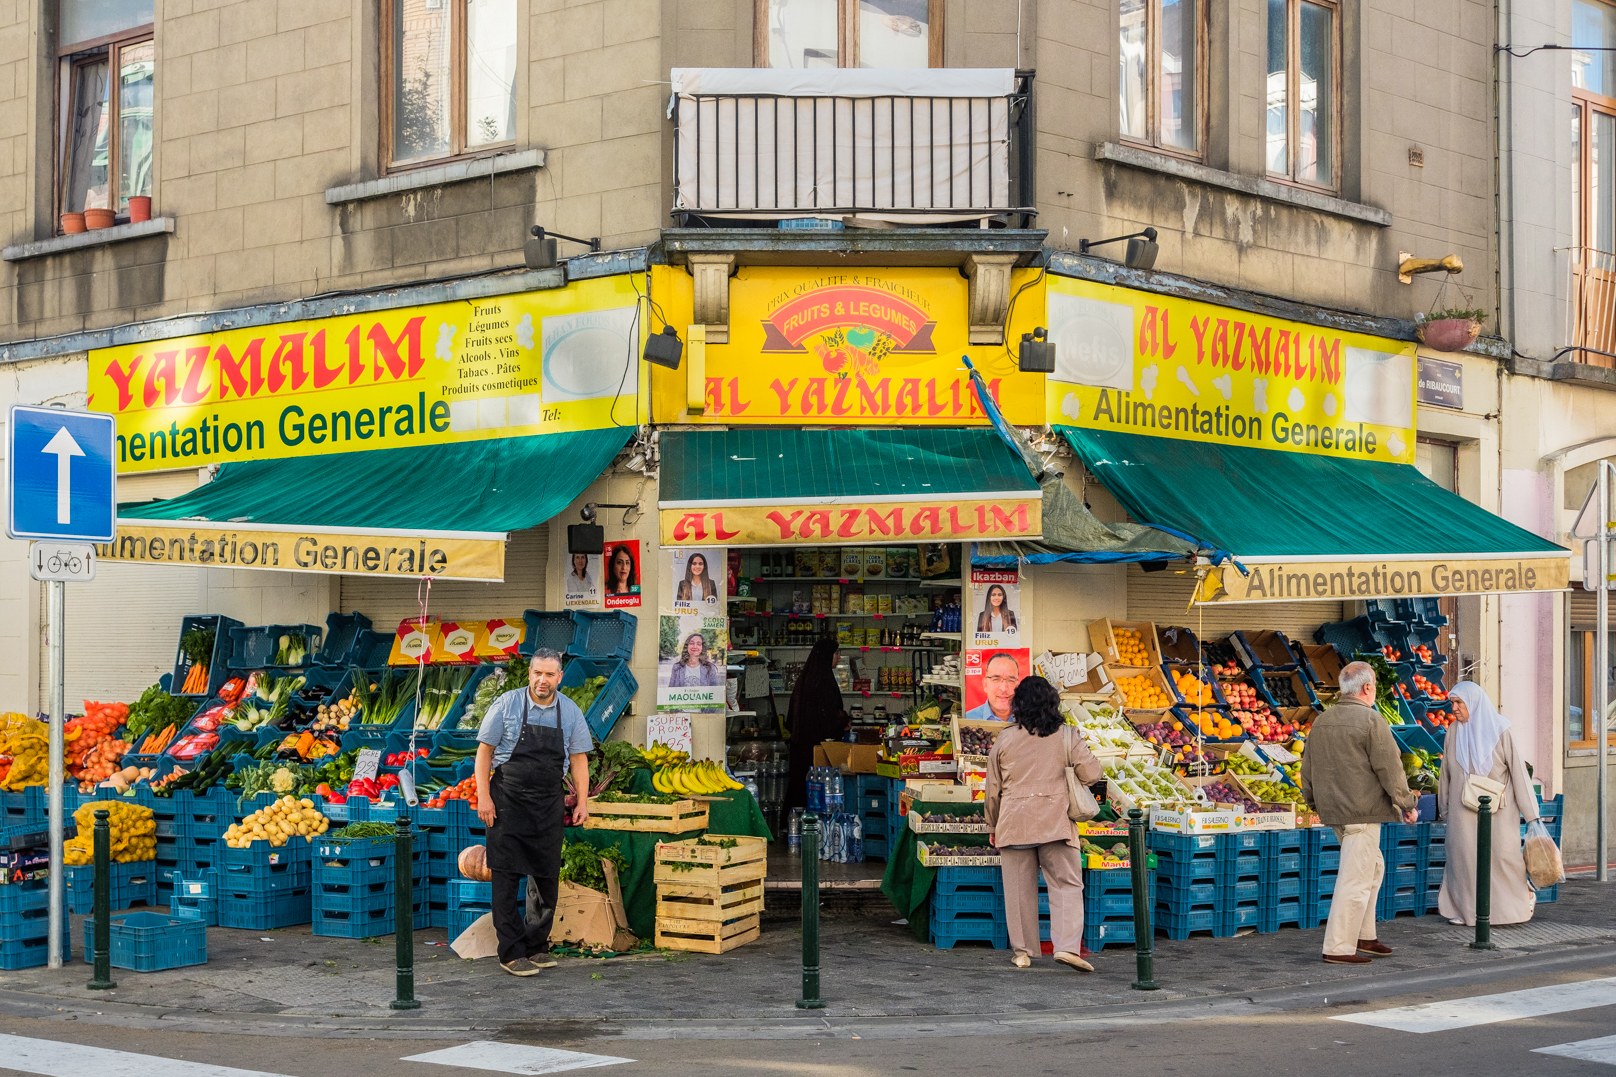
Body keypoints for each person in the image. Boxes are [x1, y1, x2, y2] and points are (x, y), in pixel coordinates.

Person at [474, 649, 592, 976]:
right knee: (507, 876)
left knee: (545, 878)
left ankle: (537, 945)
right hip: (507, 802)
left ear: (559, 677)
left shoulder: (569, 712)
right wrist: (484, 797)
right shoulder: (507, 704)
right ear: (529, 673)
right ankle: (510, 951)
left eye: (549, 674)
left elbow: (579, 759)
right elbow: (484, 754)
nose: (542, 680)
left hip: (547, 803)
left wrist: (582, 800)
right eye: (537, 673)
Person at [1299, 660, 1418, 965]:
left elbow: (1307, 769)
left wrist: (1314, 802)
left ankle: (1364, 935)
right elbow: (1390, 767)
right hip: (1362, 813)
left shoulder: (1322, 721)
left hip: (1336, 811)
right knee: (1355, 878)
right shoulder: (1371, 720)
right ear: (1367, 687)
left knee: (1372, 868)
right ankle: (1338, 946)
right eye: (1375, 684)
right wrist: (1407, 803)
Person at [986, 675, 1103, 971]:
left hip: (1014, 822)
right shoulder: (1068, 735)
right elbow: (1092, 775)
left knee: (1017, 890)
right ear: (1052, 702)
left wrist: (992, 826)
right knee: (1066, 885)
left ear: (1018, 705)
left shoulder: (1005, 739)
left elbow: (992, 789)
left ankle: (1023, 952)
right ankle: (1066, 947)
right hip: (1057, 823)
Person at [1438, 681, 1541, 927]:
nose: (1454, 708)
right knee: (1463, 859)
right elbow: (1446, 775)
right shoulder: (1453, 731)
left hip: (1499, 812)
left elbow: (1518, 772)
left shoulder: (1500, 730)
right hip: (1462, 811)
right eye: (1452, 703)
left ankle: (1516, 904)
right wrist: (1445, 809)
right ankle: (1466, 911)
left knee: (1504, 859)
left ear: (1474, 703)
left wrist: (1532, 816)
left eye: (1459, 702)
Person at [785, 637, 849, 810]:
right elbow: (828, 714)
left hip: (799, 746)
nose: (839, 657)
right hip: (815, 749)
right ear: (827, 655)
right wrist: (844, 718)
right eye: (836, 653)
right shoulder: (824, 680)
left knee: (798, 788)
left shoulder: (805, 678)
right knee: (814, 790)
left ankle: (792, 826)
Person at [964, 652, 1020, 721]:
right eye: (996, 679)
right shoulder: (968, 719)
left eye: (1011, 680)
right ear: (985, 684)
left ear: (1018, 685)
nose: (1003, 688)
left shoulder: (1029, 720)